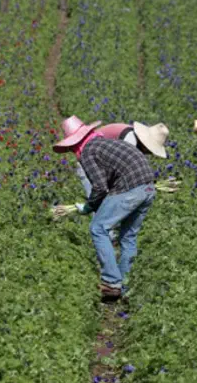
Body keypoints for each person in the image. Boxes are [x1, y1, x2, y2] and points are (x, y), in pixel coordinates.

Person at [53, 116, 156, 300]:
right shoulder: (105, 143)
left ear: (74, 144)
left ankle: (111, 281)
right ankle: (122, 286)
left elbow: (100, 187)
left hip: (130, 188)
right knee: (128, 237)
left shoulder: (88, 152)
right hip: (148, 187)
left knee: (98, 228)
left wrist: (88, 207)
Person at [77, 122, 168, 198]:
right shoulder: (129, 140)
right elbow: (123, 171)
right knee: (99, 204)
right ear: (145, 144)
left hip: (104, 164)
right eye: (150, 149)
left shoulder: (136, 142)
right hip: (91, 163)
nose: (150, 153)